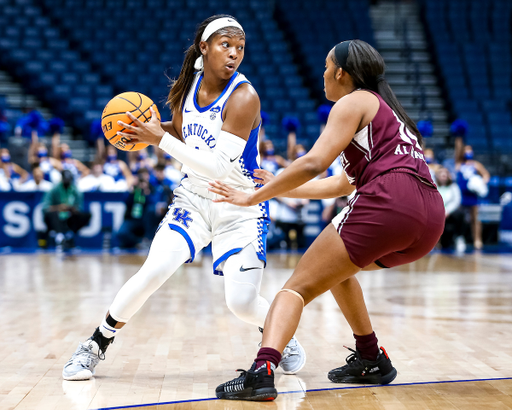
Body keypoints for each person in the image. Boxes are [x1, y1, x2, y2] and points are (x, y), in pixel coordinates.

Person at [62, 15, 305, 381]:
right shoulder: (185, 87)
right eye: (226, 45)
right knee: (154, 271)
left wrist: (158, 139)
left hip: (239, 205)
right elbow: (181, 132)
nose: (234, 53)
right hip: (192, 198)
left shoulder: (244, 96)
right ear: (203, 47)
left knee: (240, 304)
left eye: (240, 47)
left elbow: (220, 168)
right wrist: (143, 130)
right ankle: (95, 345)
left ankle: (281, 336)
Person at [209, 39, 445, 401]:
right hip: (429, 216)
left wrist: (254, 196)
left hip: (391, 200)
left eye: (325, 66)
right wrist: (280, 187)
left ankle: (262, 369)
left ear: (341, 73)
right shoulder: (388, 113)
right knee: (338, 271)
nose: (322, 74)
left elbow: (314, 162)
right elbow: (340, 183)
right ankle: (371, 357)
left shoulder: (354, 101)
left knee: (296, 288)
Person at [43, 169, 91, 251]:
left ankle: (69, 235)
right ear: (62, 178)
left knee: (86, 215)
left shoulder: (76, 191)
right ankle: (59, 236)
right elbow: (45, 207)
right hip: (56, 218)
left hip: (69, 218)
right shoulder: (54, 189)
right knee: (52, 214)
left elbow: (80, 208)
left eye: (69, 179)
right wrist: (59, 207)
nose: (67, 181)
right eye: (65, 179)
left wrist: (71, 209)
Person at [455, 145, 490, 250]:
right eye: (466, 150)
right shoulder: (459, 164)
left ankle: (477, 239)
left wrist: (480, 184)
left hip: (472, 194)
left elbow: (486, 175)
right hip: (461, 194)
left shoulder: (476, 164)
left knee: (475, 218)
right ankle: (459, 239)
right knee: (459, 218)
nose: (468, 152)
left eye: (470, 150)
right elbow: (457, 148)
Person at [116, 168, 156, 248]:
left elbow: (154, 205)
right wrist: (132, 190)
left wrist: (147, 193)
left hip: (145, 220)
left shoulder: (152, 189)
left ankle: (146, 241)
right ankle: (138, 242)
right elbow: (126, 201)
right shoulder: (134, 189)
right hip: (132, 219)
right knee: (121, 233)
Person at [435, 167, 465, 252]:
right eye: (441, 173)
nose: (444, 175)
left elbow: (456, 201)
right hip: (437, 213)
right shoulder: (433, 187)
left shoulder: (454, 187)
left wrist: (447, 211)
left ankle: (459, 238)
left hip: (450, 214)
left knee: (460, 214)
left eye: (445, 173)